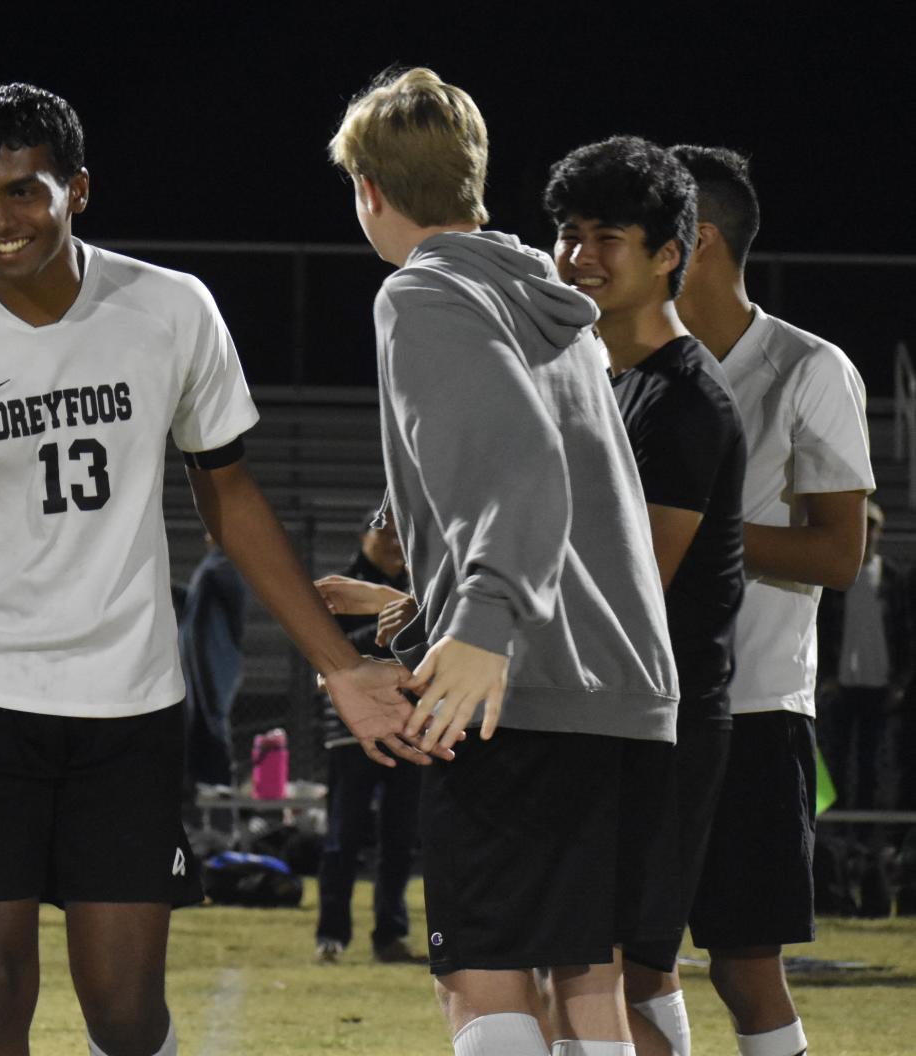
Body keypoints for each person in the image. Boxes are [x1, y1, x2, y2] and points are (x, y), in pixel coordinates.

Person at [0, 81, 439, 1056]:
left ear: (77, 189)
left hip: (127, 705)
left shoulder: (167, 308)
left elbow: (230, 500)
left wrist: (339, 665)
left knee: (121, 1011)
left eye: (22, 191)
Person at [329, 67, 679, 1056]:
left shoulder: (423, 293)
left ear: (369, 191)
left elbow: (524, 468)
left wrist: (479, 625)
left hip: (522, 690)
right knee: (585, 984)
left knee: (478, 979)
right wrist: (415, 606)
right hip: (621, 689)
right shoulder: (543, 300)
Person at [671, 143, 874, 1056]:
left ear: (695, 240)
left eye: (632, 228)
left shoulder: (806, 368)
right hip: (632, 702)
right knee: (613, 959)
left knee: (742, 966)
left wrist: (683, 530)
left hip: (751, 709)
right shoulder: (615, 361)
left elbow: (838, 552)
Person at [546, 136, 747, 1056]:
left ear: (670, 253)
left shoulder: (684, 401)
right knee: (613, 971)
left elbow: (631, 582)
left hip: (656, 727)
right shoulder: (601, 377)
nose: (577, 256)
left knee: (608, 978)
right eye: (567, 232)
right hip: (609, 712)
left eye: (605, 237)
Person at [310, 513, 422, 966]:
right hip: (349, 733)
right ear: (363, 537)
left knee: (400, 838)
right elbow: (326, 647)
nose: (395, 541)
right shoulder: (342, 587)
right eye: (385, 532)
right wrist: (385, 615)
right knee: (343, 837)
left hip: (410, 728)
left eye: (402, 533)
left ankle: (390, 936)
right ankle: (331, 935)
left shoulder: (420, 588)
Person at [817, 502, 913, 811]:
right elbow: (824, 628)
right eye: (864, 524)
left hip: (879, 684)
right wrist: (828, 675)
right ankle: (838, 831)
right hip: (843, 684)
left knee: (871, 762)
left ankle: (864, 835)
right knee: (838, 758)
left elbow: (905, 633)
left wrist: (899, 681)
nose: (868, 532)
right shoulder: (838, 577)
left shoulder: (893, 579)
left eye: (873, 526)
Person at [178, 533, 248, 793]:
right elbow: (197, 603)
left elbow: (231, 609)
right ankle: (204, 786)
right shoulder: (214, 564)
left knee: (211, 717)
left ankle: (218, 785)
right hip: (198, 659)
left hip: (213, 657)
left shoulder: (226, 565)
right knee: (199, 719)